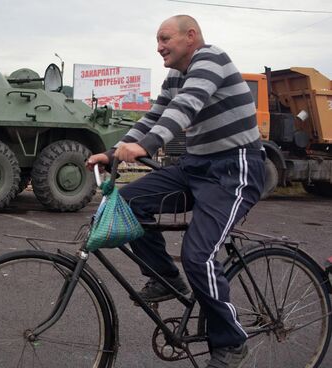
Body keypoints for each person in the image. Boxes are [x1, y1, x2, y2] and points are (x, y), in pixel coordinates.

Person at [86, 15, 264, 368]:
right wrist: (113, 152)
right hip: (195, 166)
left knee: (199, 256)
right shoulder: (174, 77)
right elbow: (153, 117)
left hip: (233, 169)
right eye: (158, 40)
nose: (159, 47)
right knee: (125, 201)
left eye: (165, 38)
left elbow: (185, 109)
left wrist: (147, 147)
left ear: (191, 36)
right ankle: (166, 278)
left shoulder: (210, 59)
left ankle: (232, 342)